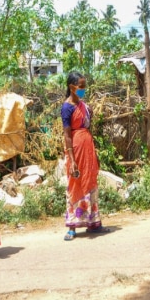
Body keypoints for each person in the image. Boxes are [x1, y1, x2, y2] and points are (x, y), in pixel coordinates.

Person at [61, 71, 109, 241]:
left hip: (87, 147)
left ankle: (93, 222)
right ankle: (73, 225)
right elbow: (67, 135)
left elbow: (90, 127)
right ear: (72, 87)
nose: (83, 89)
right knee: (75, 183)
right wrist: (72, 160)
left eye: (84, 86)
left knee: (91, 182)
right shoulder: (67, 107)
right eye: (81, 87)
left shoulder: (84, 106)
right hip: (76, 148)